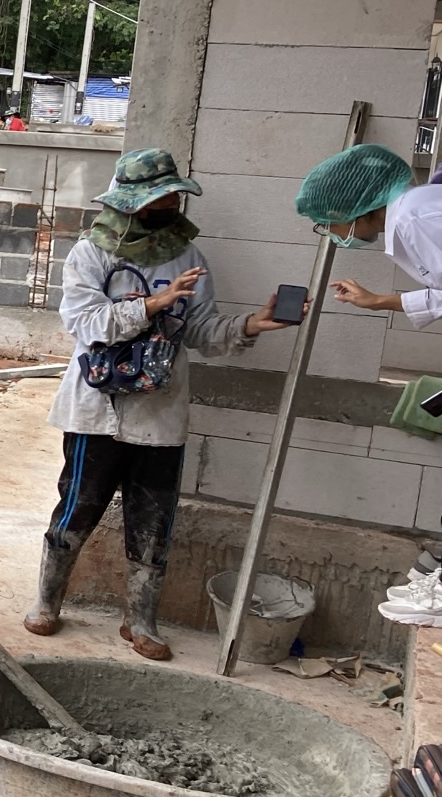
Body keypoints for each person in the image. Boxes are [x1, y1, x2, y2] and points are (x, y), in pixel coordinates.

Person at [24, 148, 296, 659]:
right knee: (77, 507)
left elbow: (201, 329)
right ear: (130, 202)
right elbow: (85, 323)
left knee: (154, 519)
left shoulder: (188, 257)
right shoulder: (90, 253)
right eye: (160, 198)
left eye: (174, 196)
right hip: (97, 411)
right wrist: (154, 304)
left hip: (161, 415)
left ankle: (141, 619)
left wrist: (249, 325)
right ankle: (47, 600)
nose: (171, 204)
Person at [296, 143, 438, 321]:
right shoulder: (414, 210)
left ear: (342, 215)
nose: (332, 236)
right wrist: (377, 301)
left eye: (326, 226)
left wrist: (378, 301)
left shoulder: (413, 220)